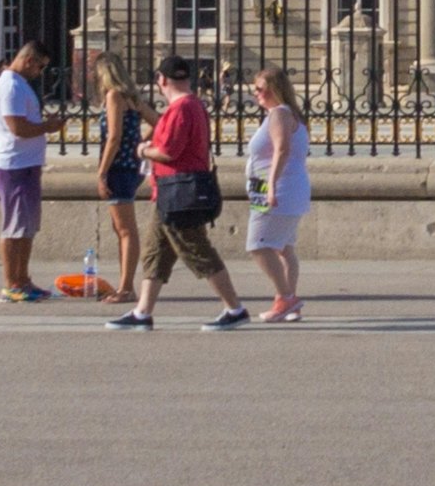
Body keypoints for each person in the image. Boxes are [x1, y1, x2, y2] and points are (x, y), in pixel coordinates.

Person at [116, 64, 251, 328]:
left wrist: (143, 151)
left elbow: (169, 152)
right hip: (170, 190)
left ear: (161, 79)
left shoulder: (181, 108)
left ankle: (235, 309)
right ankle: (142, 313)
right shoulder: (194, 105)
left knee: (196, 249)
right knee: (156, 251)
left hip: (180, 192)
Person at [0, 38, 57, 304]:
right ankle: (10, 284)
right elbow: (17, 128)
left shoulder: (20, 84)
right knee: (14, 227)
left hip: (26, 164)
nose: (40, 72)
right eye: (39, 66)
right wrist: (47, 127)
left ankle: (23, 279)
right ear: (29, 60)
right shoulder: (10, 86)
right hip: (13, 164)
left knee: (26, 226)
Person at [76, 47, 145, 303]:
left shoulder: (114, 96)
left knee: (126, 230)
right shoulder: (131, 97)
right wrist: (139, 144)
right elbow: (159, 121)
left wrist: (101, 173)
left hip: (118, 169)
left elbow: (113, 137)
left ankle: (126, 288)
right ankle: (124, 284)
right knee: (122, 229)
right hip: (131, 167)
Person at [243, 70, 311, 321]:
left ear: (276, 89)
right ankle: (288, 300)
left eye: (261, 89)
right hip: (288, 189)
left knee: (258, 246)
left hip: (277, 189)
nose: (256, 94)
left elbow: (281, 150)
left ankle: (286, 298)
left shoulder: (280, 114)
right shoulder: (289, 114)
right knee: (285, 248)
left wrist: (271, 185)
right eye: (255, 89)